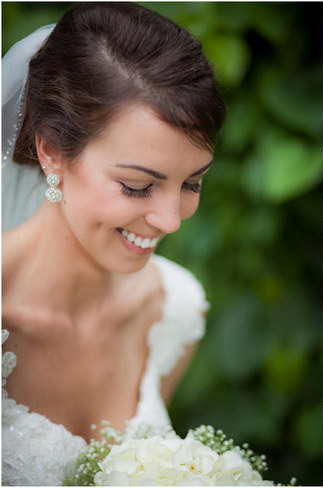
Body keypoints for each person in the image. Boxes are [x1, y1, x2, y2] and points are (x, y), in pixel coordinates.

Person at [1, 3, 226, 485]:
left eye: (192, 183)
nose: (171, 220)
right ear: (52, 152)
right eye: (137, 186)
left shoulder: (175, 310)